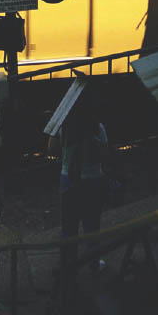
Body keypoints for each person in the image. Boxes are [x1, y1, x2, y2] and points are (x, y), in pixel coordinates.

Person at [48, 84, 109, 271]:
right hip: (92, 180)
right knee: (92, 226)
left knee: (69, 227)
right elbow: (104, 155)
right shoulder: (98, 128)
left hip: (68, 180)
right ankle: (93, 263)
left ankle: (69, 264)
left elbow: (51, 149)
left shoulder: (65, 127)